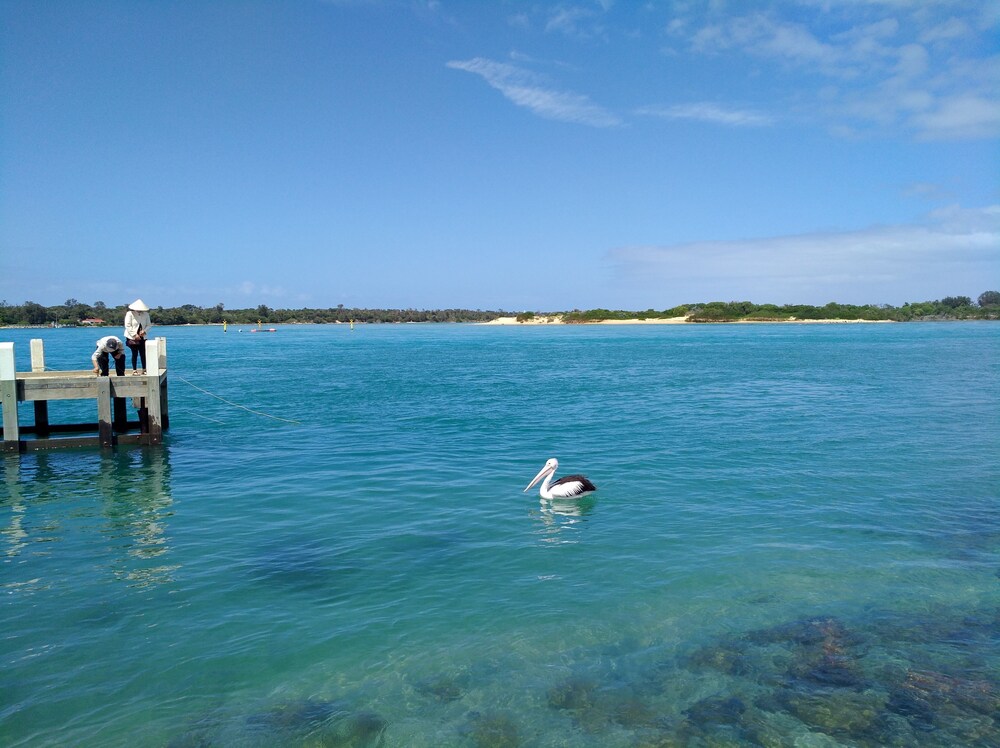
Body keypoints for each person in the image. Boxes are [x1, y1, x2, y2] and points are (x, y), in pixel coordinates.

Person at [124, 298, 152, 374]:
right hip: (131, 336)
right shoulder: (130, 313)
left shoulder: (146, 314)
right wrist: (134, 334)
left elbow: (149, 325)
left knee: (143, 353)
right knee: (134, 353)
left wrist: (144, 331)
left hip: (142, 336)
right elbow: (127, 325)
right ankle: (134, 370)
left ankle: (144, 369)